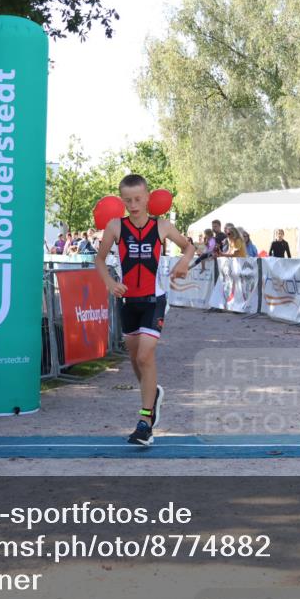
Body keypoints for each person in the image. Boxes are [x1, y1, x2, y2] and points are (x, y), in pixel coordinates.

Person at [94, 173, 194, 446]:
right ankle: (153, 395)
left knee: (145, 356)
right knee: (137, 360)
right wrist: (110, 282)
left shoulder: (162, 226)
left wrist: (183, 262)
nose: (133, 204)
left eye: (138, 199)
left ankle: (145, 421)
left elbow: (189, 247)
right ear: (121, 200)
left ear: (148, 197)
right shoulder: (115, 227)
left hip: (154, 300)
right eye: (128, 200)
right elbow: (100, 259)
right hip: (128, 302)